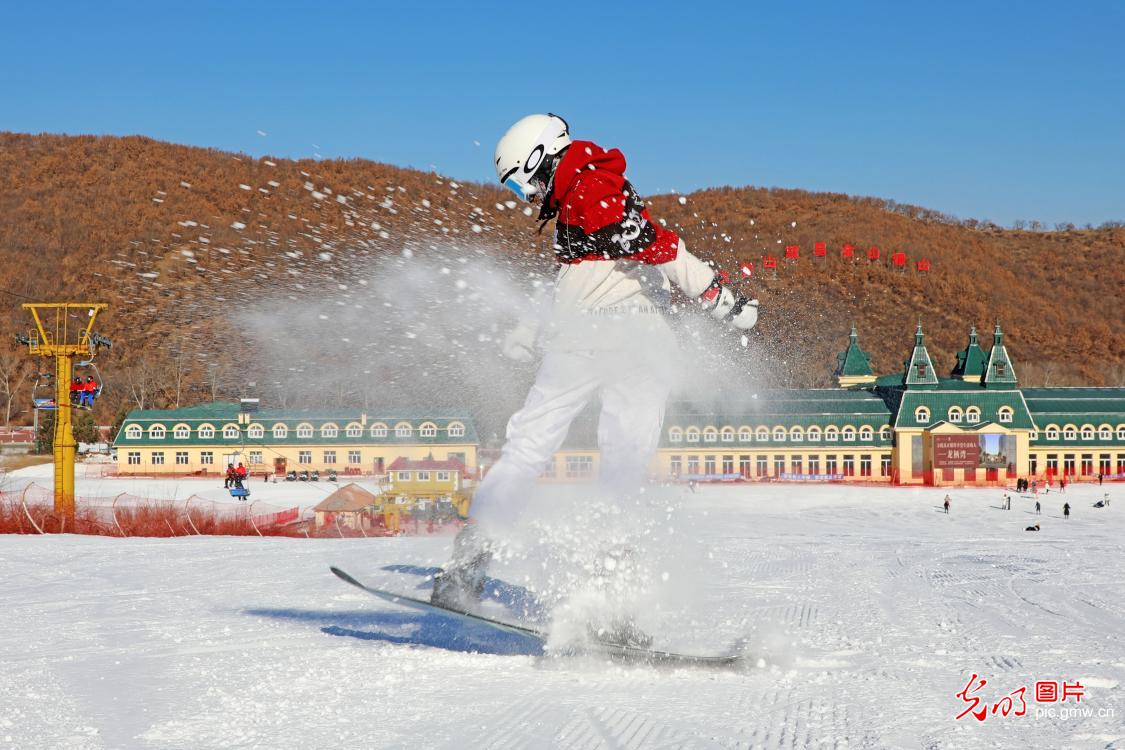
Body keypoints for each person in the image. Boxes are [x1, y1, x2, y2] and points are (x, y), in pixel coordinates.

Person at [432, 114, 760, 610]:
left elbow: (656, 245)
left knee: (530, 446)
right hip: (634, 342)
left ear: (540, 158)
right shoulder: (582, 190)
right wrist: (529, 328)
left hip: (601, 338)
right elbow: (580, 275)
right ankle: (609, 595)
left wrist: (719, 298)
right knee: (622, 462)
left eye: (523, 181)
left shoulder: (591, 188)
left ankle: (470, 569)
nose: (527, 196)